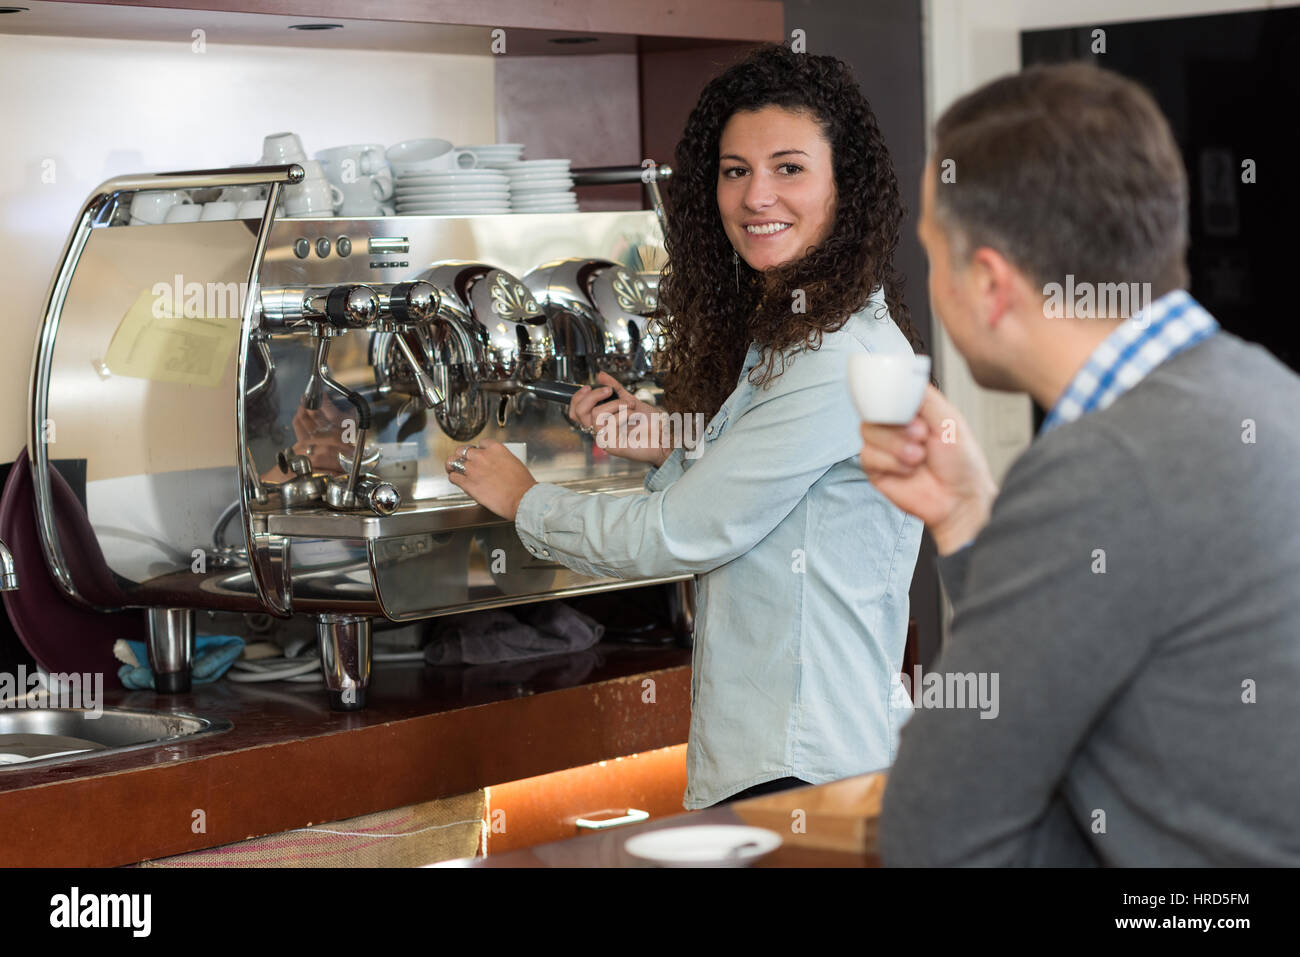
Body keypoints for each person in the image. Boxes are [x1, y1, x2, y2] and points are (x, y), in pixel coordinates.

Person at [446, 44, 925, 809]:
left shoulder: (837, 359)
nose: (756, 195)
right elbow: (782, 487)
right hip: (801, 753)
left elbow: (677, 532)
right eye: (735, 170)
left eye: (789, 168)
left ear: (846, 187)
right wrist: (675, 436)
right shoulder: (803, 339)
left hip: (803, 767)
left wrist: (526, 501)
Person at [861, 62, 1300, 865]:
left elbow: (935, 836)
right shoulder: (1267, 391)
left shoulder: (1106, 466)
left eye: (931, 253)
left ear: (990, 284)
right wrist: (969, 518)